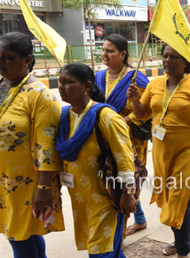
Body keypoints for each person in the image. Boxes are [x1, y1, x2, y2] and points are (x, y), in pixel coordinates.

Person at [0, 32, 64, 257]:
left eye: (8, 57)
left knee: (19, 238)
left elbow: (47, 146)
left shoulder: (39, 95)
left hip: (26, 184)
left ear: (27, 60)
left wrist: (43, 189)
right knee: (28, 236)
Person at [127, 44, 190, 257]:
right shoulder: (155, 84)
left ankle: (182, 248)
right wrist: (134, 100)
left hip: (188, 148)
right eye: (165, 56)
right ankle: (184, 237)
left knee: (180, 197)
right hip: (161, 149)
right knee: (170, 197)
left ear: (185, 61)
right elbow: (142, 114)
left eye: (174, 57)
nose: (167, 60)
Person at [56, 63, 136, 257]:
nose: (61, 86)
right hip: (80, 199)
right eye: (59, 82)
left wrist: (127, 192)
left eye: (68, 82)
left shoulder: (106, 116)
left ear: (87, 86)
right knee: (110, 250)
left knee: (101, 252)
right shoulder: (63, 116)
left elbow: (124, 156)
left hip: (106, 197)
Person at [95, 34, 150, 236]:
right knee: (112, 182)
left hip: (130, 140)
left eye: (110, 51)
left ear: (123, 54)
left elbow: (144, 113)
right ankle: (140, 218)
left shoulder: (137, 79)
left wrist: (116, 124)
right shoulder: (98, 78)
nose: (104, 54)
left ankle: (119, 233)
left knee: (128, 182)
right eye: (103, 50)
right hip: (104, 140)